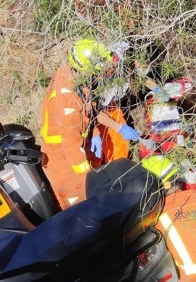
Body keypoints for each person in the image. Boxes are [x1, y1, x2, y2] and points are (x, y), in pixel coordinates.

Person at [40, 38, 139, 210]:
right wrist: (90, 179)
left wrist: (118, 127)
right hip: (62, 160)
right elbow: (71, 146)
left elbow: (89, 110)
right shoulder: (68, 101)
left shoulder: (73, 76)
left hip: (74, 146)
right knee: (80, 208)